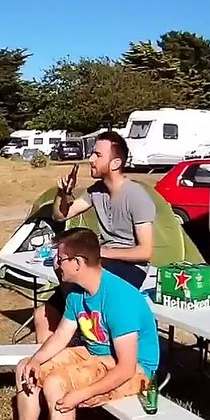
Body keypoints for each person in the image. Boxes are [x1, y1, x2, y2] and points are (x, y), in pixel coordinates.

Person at [0, 228, 160, 420]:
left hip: (135, 370)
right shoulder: (77, 294)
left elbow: (126, 367)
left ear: (78, 262)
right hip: (96, 354)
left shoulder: (120, 298)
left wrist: (80, 394)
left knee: (57, 383)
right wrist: (36, 360)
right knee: (26, 367)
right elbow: (60, 336)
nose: (55, 264)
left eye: (60, 258)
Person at [34, 131, 156, 342]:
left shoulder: (137, 196)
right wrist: (62, 194)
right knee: (42, 316)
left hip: (129, 268)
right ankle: (57, 356)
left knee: (75, 271)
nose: (91, 159)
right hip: (101, 261)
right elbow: (61, 215)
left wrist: (99, 252)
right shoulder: (95, 191)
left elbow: (145, 252)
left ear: (116, 162)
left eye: (97, 155)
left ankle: (82, 328)